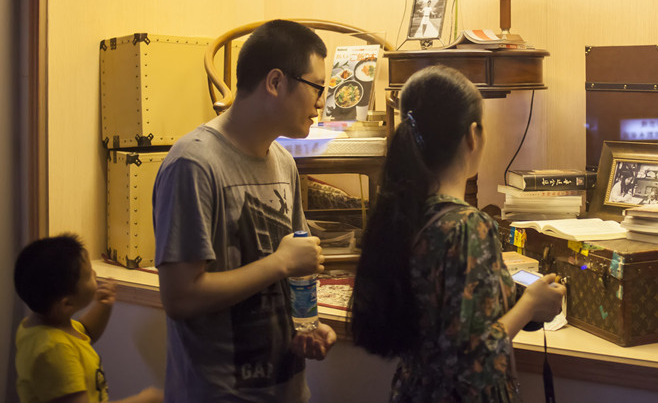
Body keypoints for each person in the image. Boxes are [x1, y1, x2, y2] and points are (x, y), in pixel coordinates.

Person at [350, 65, 566, 402]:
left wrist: (519, 302)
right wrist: (529, 305)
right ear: (472, 135)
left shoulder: (402, 215)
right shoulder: (466, 226)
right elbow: (472, 360)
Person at [153, 20, 337, 402]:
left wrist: (305, 328)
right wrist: (281, 264)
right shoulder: (194, 164)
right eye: (317, 87)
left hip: (286, 387)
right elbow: (180, 298)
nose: (322, 101)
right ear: (275, 82)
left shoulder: (283, 162)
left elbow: (294, 268)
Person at [14, 233, 164, 403]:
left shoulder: (44, 325)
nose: (94, 272)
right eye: (87, 275)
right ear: (67, 304)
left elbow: (85, 332)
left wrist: (103, 305)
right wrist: (144, 399)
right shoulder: (54, 352)